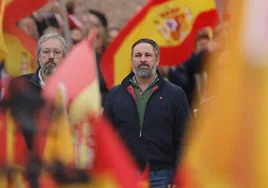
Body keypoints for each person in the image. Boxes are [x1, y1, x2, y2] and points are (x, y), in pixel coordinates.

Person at [104, 38, 190, 188]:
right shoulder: (115, 94)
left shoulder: (175, 94)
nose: (142, 59)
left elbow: (185, 139)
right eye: (138, 55)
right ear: (131, 60)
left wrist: (179, 176)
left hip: (163, 176)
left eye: (147, 55)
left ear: (157, 60)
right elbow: (106, 137)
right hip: (125, 176)